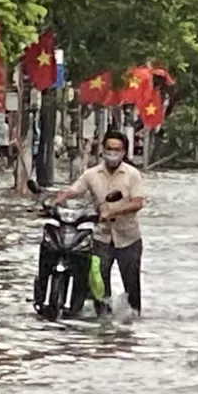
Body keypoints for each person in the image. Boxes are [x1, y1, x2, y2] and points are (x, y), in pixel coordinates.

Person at [53, 129, 146, 315]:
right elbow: (73, 190)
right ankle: (103, 322)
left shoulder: (132, 174)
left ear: (124, 151)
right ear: (103, 150)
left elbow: (138, 202)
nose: (113, 153)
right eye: (109, 148)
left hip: (128, 238)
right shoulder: (91, 174)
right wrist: (54, 201)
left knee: (132, 285)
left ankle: (132, 327)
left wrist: (113, 211)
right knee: (99, 284)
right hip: (100, 238)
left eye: (117, 149)